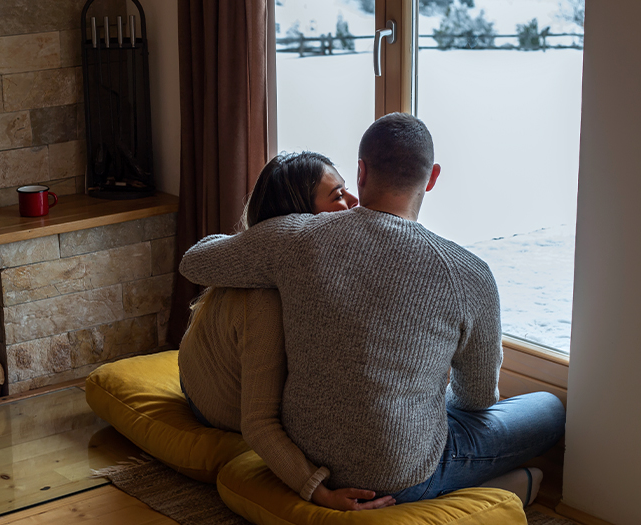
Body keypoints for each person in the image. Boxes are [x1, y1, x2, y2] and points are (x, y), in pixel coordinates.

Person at [179, 113, 565, 505]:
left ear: (361, 172)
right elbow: (478, 400)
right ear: (431, 178)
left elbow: (195, 262)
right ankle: (477, 490)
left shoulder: (293, 237)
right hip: (401, 476)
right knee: (548, 409)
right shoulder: (470, 274)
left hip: (304, 450)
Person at [179, 152, 394, 511]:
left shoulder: (309, 264)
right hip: (212, 398)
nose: (355, 202)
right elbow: (258, 423)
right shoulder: (265, 303)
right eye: (339, 196)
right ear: (298, 222)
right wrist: (318, 491)